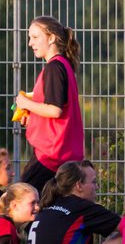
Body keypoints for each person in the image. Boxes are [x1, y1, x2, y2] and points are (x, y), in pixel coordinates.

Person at [14, 16, 84, 192]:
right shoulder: (63, 66)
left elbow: (55, 110)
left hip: (51, 154)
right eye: (30, 38)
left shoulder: (54, 68)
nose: (30, 43)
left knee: (23, 198)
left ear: (51, 38)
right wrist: (34, 118)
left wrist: (25, 103)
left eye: (35, 37)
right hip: (61, 153)